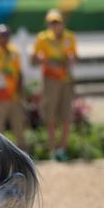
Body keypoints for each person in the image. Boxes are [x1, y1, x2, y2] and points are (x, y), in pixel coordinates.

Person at [32, 9, 77, 161]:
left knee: (66, 115)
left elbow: (74, 56)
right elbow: (34, 59)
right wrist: (45, 61)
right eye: (52, 22)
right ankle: (52, 149)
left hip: (66, 79)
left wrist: (71, 59)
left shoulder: (70, 37)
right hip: (50, 80)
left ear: (62, 23)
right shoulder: (42, 38)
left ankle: (62, 148)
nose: (54, 25)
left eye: (56, 22)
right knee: (50, 114)